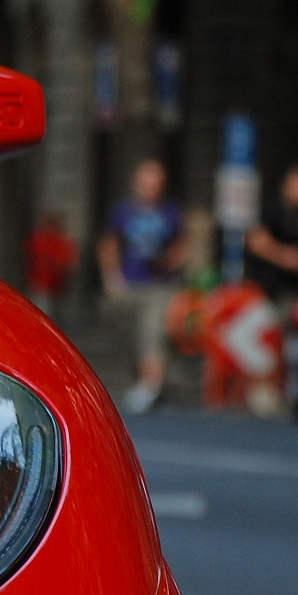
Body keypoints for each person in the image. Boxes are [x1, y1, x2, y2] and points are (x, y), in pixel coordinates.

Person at [98, 159, 188, 414]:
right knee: (131, 334)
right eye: (147, 184)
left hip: (159, 286)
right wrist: (111, 277)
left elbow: (182, 246)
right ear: (136, 184)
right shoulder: (122, 211)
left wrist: (172, 261)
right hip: (128, 285)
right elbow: (109, 244)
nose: (151, 189)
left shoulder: (171, 212)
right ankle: (144, 378)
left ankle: (151, 384)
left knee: (153, 330)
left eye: (156, 185)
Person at [246, 163, 298, 311]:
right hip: (269, 290)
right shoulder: (273, 210)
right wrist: (287, 258)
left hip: (293, 290)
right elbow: (256, 241)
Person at [23, 211, 78, 318]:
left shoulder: (61, 242)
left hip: (56, 287)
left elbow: (69, 262)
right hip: (39, 285)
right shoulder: (38, 239)